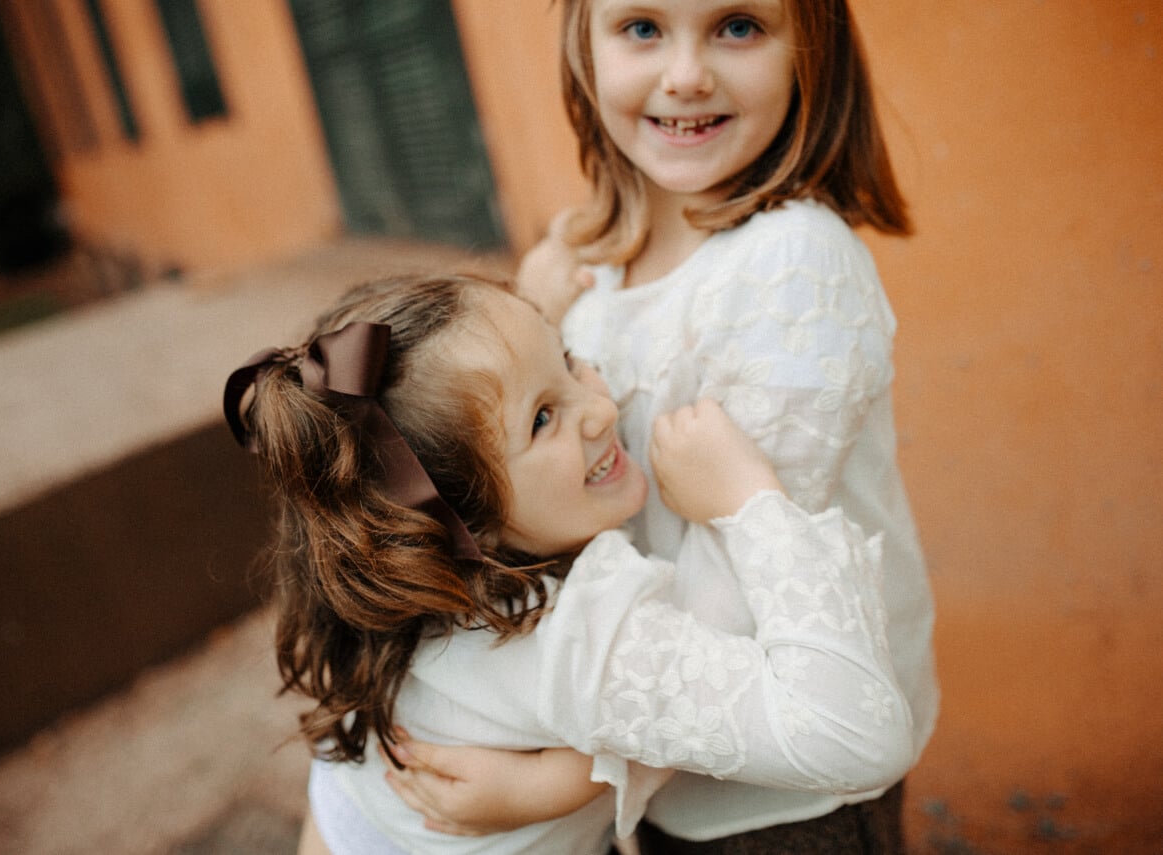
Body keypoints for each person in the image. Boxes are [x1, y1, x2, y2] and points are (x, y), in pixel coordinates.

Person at [384, 0, 939, 851]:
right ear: (585, 46)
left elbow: (736, 622)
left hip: (783, 794)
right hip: (651, 765)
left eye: (738, 25)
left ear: (810, 48)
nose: (686, 74)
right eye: (642, 27)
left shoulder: (791, 265)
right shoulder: (591, 254)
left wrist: (557, 782)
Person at [224, 273, 911, 854]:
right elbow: (858, 734)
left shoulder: (385, 573)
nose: (601, 405)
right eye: (544, 418)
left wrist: (569, 777)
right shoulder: (579, 636)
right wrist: (752, 503)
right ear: (469, 521)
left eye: (570, 356)